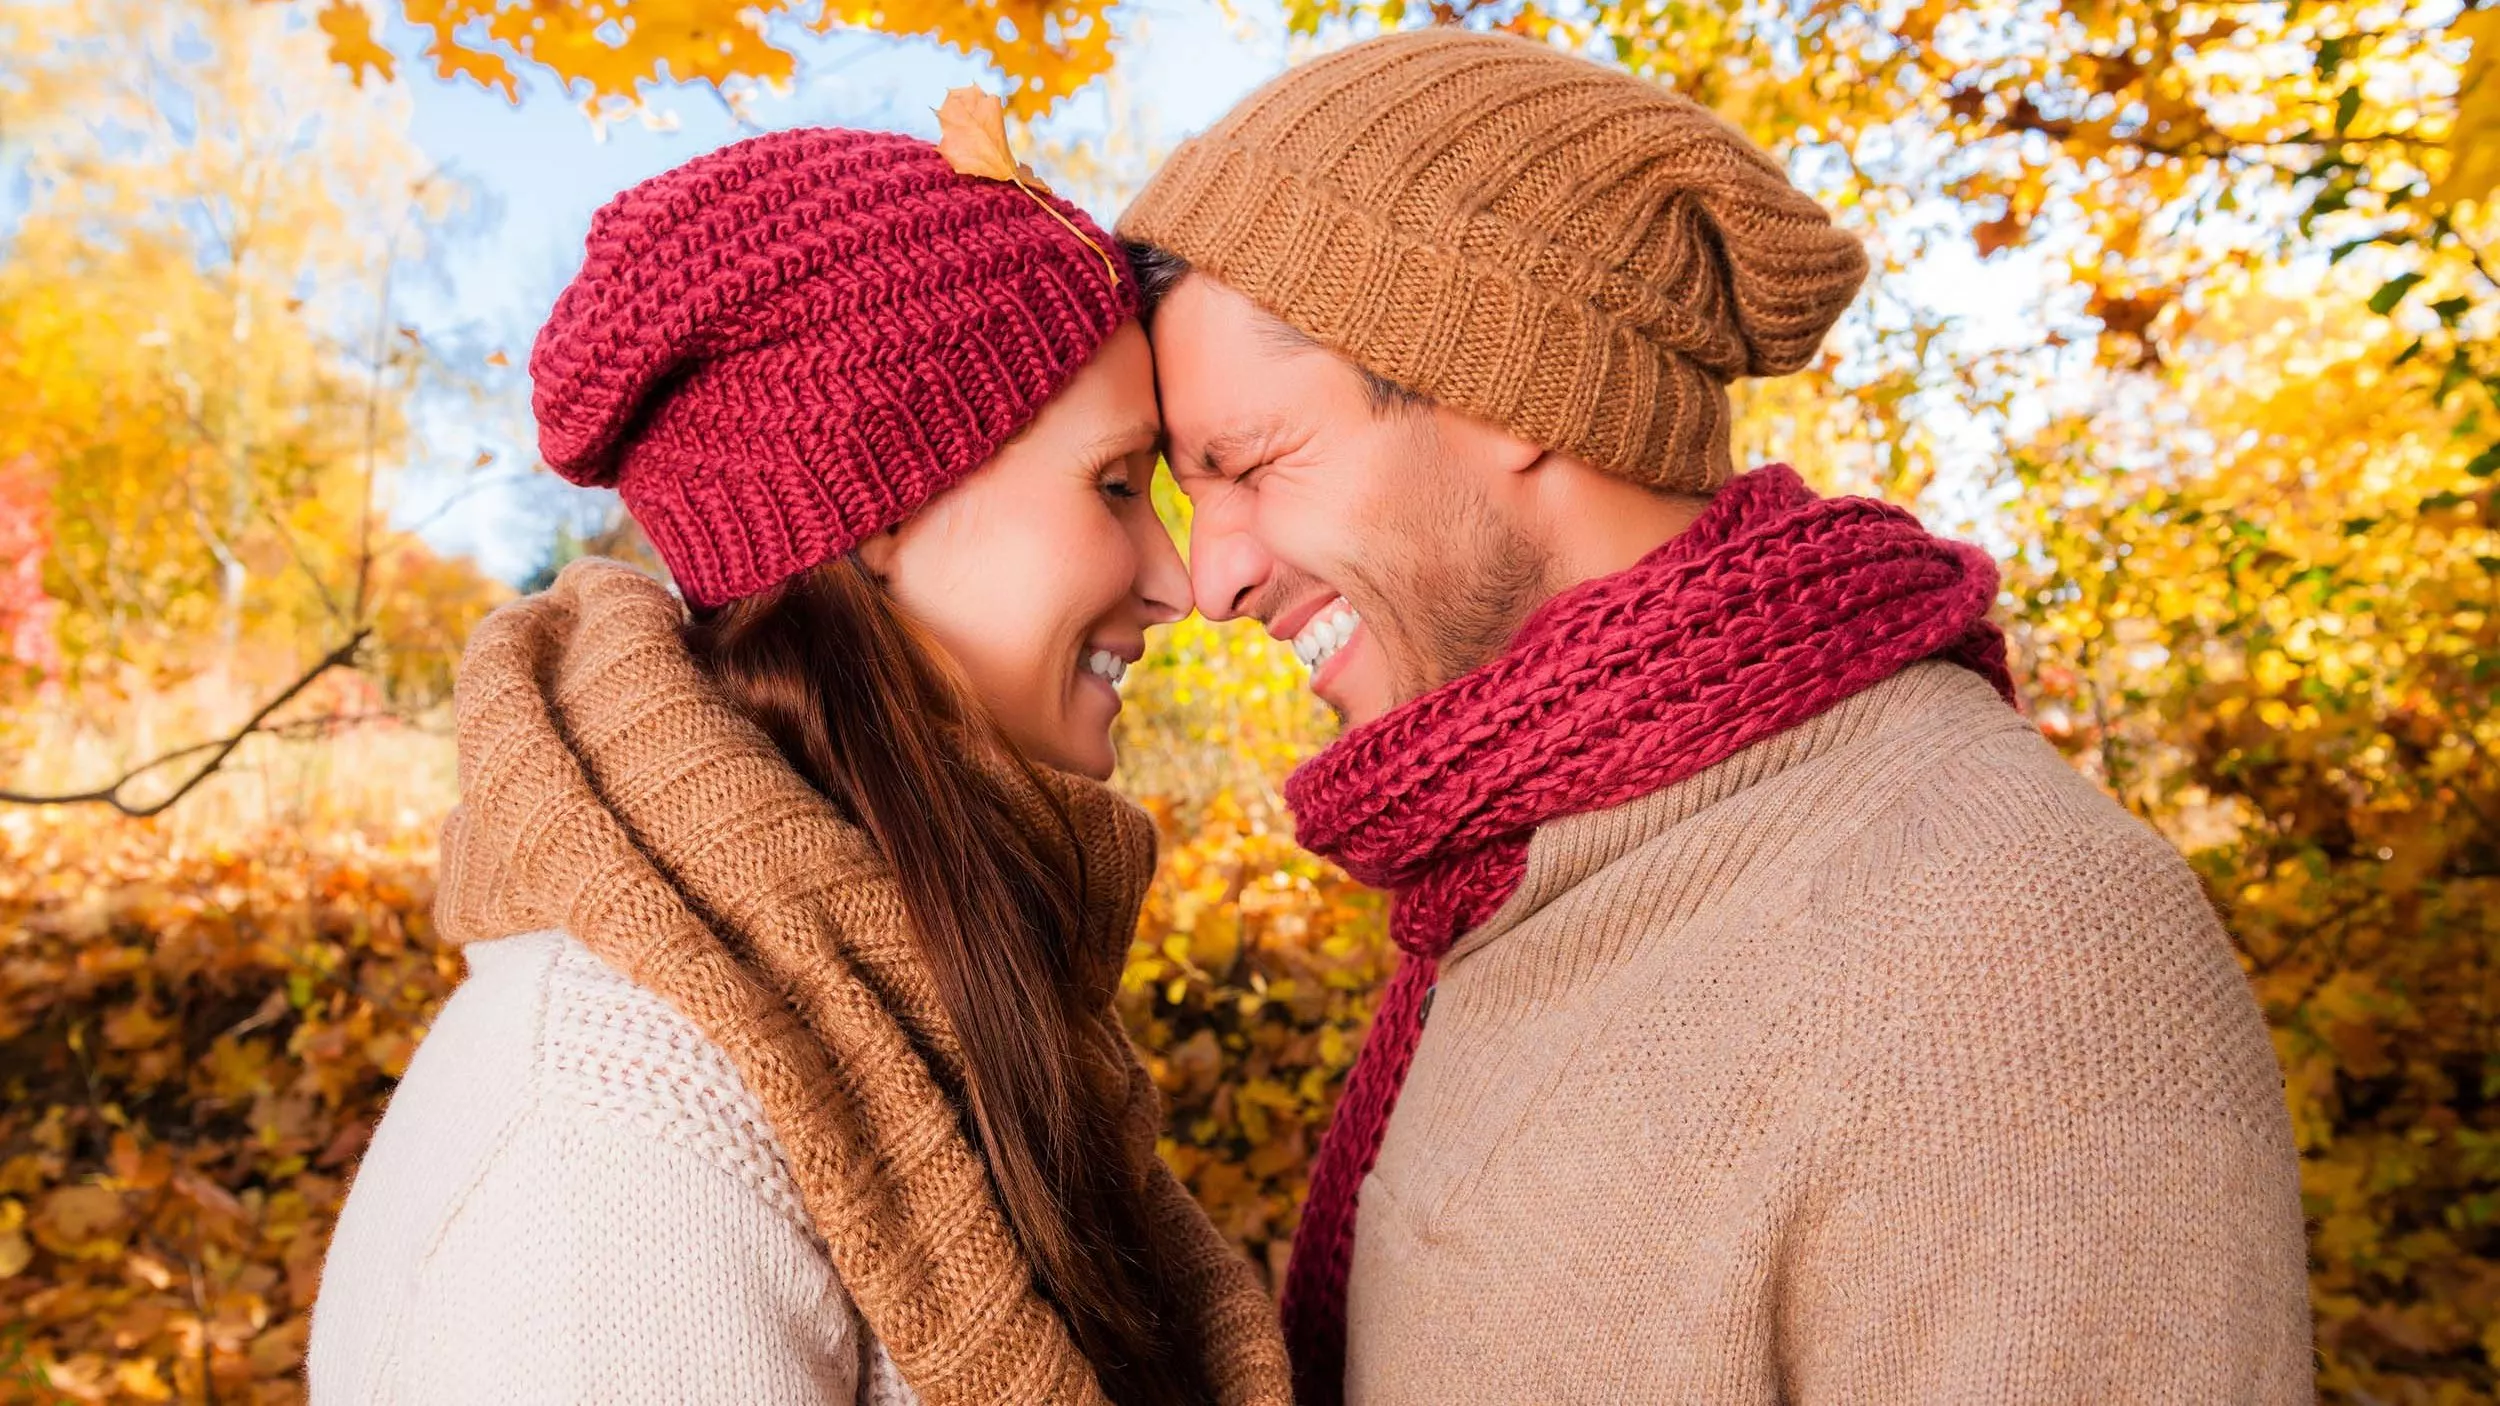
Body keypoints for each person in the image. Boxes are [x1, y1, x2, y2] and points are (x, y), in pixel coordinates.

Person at [1118, 28, 2312, 1406]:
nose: (1212, 578)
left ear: (1507, 380)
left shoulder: (2010, 942)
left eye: (1253, 463)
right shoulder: (1524, 876)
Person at [308, 128, 1291, 1406]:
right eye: (1112, 484)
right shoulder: (622, 1136)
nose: (1178, 582)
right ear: (877, 512)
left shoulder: (943, 988)